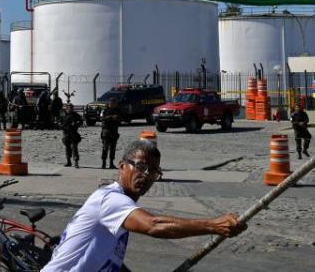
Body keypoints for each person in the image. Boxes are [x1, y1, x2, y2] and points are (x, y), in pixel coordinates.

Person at [41, 140, 245, 271]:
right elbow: (154, 225)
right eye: (140, 166)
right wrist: (212, 226)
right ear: (122, 166)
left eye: (153, 171)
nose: (146, 175)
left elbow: (111, 260)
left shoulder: (121, 207)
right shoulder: (110, 199)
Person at [100, 99, 121, 169]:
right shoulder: (105, 110)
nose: (113, 105)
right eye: (111, 103)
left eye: (114, 103)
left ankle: (111, 163)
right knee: (105, 148)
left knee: (113, 148)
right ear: (109, 104)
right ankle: (103, 163)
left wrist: (117, 118)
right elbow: (102, 118)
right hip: (106, 132)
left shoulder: (117, 110)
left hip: (114, 131)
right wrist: (111, 117)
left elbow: (121, 118)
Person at [61, 104, 83, 168]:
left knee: (74, 148)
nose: (70, 109)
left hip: (73, 133)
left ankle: (76, 162)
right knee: (67, 148)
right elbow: (60, 122)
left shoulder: (75, 115)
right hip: (66, 133)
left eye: (71, 108)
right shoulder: (64, 115)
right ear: (67, 108)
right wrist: (62, 126)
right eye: (69, 108)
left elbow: (81, 121)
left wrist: (76, 124)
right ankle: (68, 161)